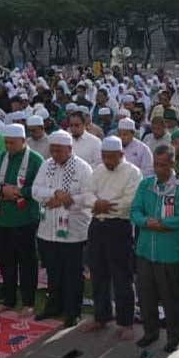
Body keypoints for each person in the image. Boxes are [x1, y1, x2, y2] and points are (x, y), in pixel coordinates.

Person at [131, 144, 179, 353]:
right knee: (146, 295)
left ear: (173, 164)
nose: (158, 169)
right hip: (145, 251)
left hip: (169, 254)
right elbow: (135, 210)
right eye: (156, 164)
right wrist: (146, 221)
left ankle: (174, 336)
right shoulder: (146, 184)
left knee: (171, 298)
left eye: (163, 165)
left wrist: (161, 223)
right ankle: (150, 332)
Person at [79, 136, 141, 338]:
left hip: (119, 227)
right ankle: (101, 316)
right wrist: (96, 204)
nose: (108, 161)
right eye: (105, 156)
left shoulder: (132, 172)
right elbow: (87, 192)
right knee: (98, 274)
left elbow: (130, 201)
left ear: (121, 155)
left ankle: (126, 323)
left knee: (122, 276)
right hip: (97, 225)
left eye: (112, 157)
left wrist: (105, 205)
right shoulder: (98, 171)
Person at [32, 129, 93, 328]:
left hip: (73, 232)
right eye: (53, 150)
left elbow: (88, 197)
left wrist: (67, 201)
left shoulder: (83, 168)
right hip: (47, 229)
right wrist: (55, 193)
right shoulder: (46, 165)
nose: (55, 154)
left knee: (73, 273)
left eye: (59, 150)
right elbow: (35, 190)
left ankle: (72, 311)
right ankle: (54, 306)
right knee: (53, 271)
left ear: (69, 148)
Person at [0, 123, 44, 315]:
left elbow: (39, 188)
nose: (9, 146)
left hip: (25, 219)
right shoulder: (1, 157)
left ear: (23, 141)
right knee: (5, 260)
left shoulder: (36, 160)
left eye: (12, 143)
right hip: (2, 218)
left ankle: (28, 302)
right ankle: (8, 300)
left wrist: (20, 192)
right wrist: (3, 190)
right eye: (6, 143)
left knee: (27, 261)